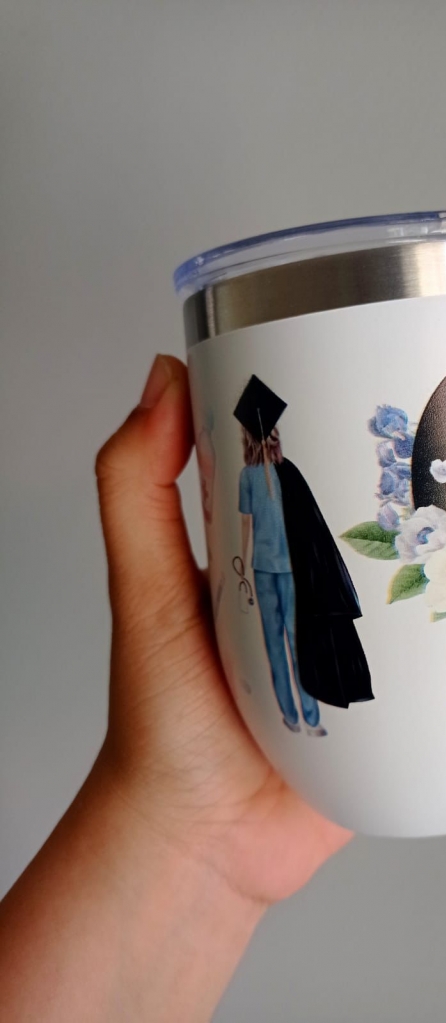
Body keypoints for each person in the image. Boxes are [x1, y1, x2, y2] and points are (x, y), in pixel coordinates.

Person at [0, 355, 351, 1022]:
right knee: (279, 646)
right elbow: (249, 528)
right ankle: (296, 711)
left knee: (293, 647)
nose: (262, 442)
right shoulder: (254, 478)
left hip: (285, 574)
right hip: (266, 576)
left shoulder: (279, 475)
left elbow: (296, 528)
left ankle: (303, 711)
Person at [238, 425, 326, 736]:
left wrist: (241, 561)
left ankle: (290, 716)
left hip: (262, 568)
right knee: (297, 643)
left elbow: (246, 524)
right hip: (289, 567)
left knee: (275, 645)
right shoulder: (285, 472)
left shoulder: (247, 477)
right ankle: (311, 719)